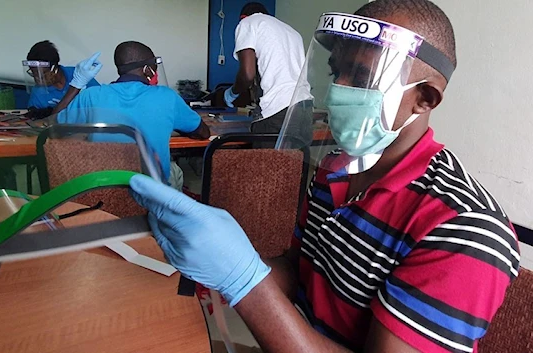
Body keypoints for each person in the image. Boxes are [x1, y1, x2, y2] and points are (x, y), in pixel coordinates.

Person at [128, 1, 520, 352]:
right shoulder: (336, 170)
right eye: (337, 72)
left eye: (362, 77)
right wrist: (216, 270)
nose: (338, 91)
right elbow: (299, 269)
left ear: (425, 98)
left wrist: (243, 280)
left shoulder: (464, 228)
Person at [54, 41, 210, 190]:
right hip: (152, 195)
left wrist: (76, 84)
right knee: (175, 171)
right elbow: (203, 133)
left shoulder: (91, 96)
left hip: (103, 189)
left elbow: (53, 125)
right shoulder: (167, 97)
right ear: (147, 70)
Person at [224, 2, 309, 134]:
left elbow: (247, 75)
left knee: (267, 154)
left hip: (276, 110)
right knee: (297, 154)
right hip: (304, 106)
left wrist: (231, 94)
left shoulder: (248, 23)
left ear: (243, 17)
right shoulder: (292, 32)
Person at [25, 40, 100, 109]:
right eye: (34, 73)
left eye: (43, 74)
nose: (38, 78)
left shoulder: (79, 75)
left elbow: (101, 100)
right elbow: (40, 121)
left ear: (54, 68)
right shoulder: (38, 92)